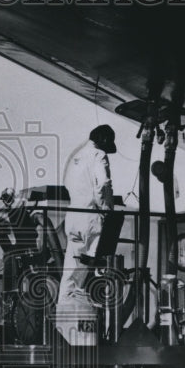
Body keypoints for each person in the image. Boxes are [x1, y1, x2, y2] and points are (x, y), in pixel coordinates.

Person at [57, 124, 116, 306]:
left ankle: (64, 308)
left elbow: (67, 183)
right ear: (104, 140)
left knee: (71, 267)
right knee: (90, 263)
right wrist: (106, 209)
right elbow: (103, 184)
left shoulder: (77, 156)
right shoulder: (98, 155)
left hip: (73, 216)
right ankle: (81, 305)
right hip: (90, 218)